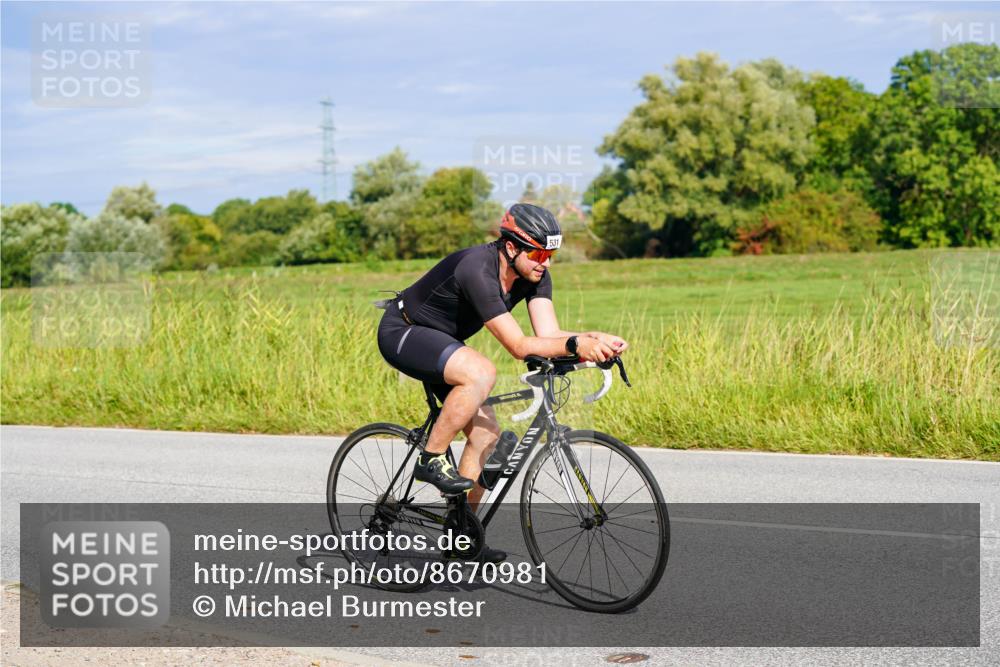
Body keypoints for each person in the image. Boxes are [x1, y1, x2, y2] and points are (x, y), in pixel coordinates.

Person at [376, 203, 628, 561]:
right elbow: (519, 346)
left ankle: (459, 535)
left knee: (486, 437)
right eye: (539, 254)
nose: (546, 263)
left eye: (551, 255)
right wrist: (576, 345)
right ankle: (430, 459)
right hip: (404, 332)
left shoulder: (535, 275)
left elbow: (549, 335)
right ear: (511, 247)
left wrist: (595, 339)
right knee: (481, 371)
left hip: (444, 343)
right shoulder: (477, 269)